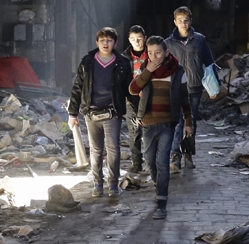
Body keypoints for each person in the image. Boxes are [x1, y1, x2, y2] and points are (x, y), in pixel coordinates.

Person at [129, 36, 193, 220]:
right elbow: (133, 89)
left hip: (168, 123)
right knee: (150, 161)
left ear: (166, 53)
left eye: (158, 52)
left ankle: (161, 202)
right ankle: (159, 185)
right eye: (150, 53)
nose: (154, 57)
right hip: (148, 123)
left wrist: (188, 122)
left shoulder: (177, 71)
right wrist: (147, 71)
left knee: (162, 161)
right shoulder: (145, 69)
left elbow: (184, 99)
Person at [68, 27, 134, 198]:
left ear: (115, 43)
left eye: (109, 40)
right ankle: (98, 184)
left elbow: (130, 90)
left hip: (112, 112)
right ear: (97, 43)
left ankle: (112, 184)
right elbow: (78, 88)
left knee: (113, 148)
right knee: (95, 150)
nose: (106, 43)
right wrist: (72, 114)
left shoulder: (122, 63)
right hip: (91, 112)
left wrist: (138, 112)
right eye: (102, 40)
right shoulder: (88, 62)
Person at [165, 6, 214, 171]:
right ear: (175, 22)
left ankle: (188, 153)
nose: (183, 24)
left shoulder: (199, 40)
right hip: (176, 89)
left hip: (194, 87)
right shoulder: (168, 43)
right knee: (176, 122)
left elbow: (209, 62)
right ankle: (175, 156)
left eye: (186, 20)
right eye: (180, 21)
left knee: (190, 122)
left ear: (190, 21)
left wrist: (214, 87)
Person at [123, 25, 149, 173]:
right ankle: (137, 163)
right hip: (132, 98)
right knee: (134, 131)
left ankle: (152, 161)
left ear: (144, 39)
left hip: (149, 97)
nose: (137, 42)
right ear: (129, 40)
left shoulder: (151, 54)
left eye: (139, 39)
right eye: (133, 39)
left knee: (150, 130)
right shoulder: (125, 57)